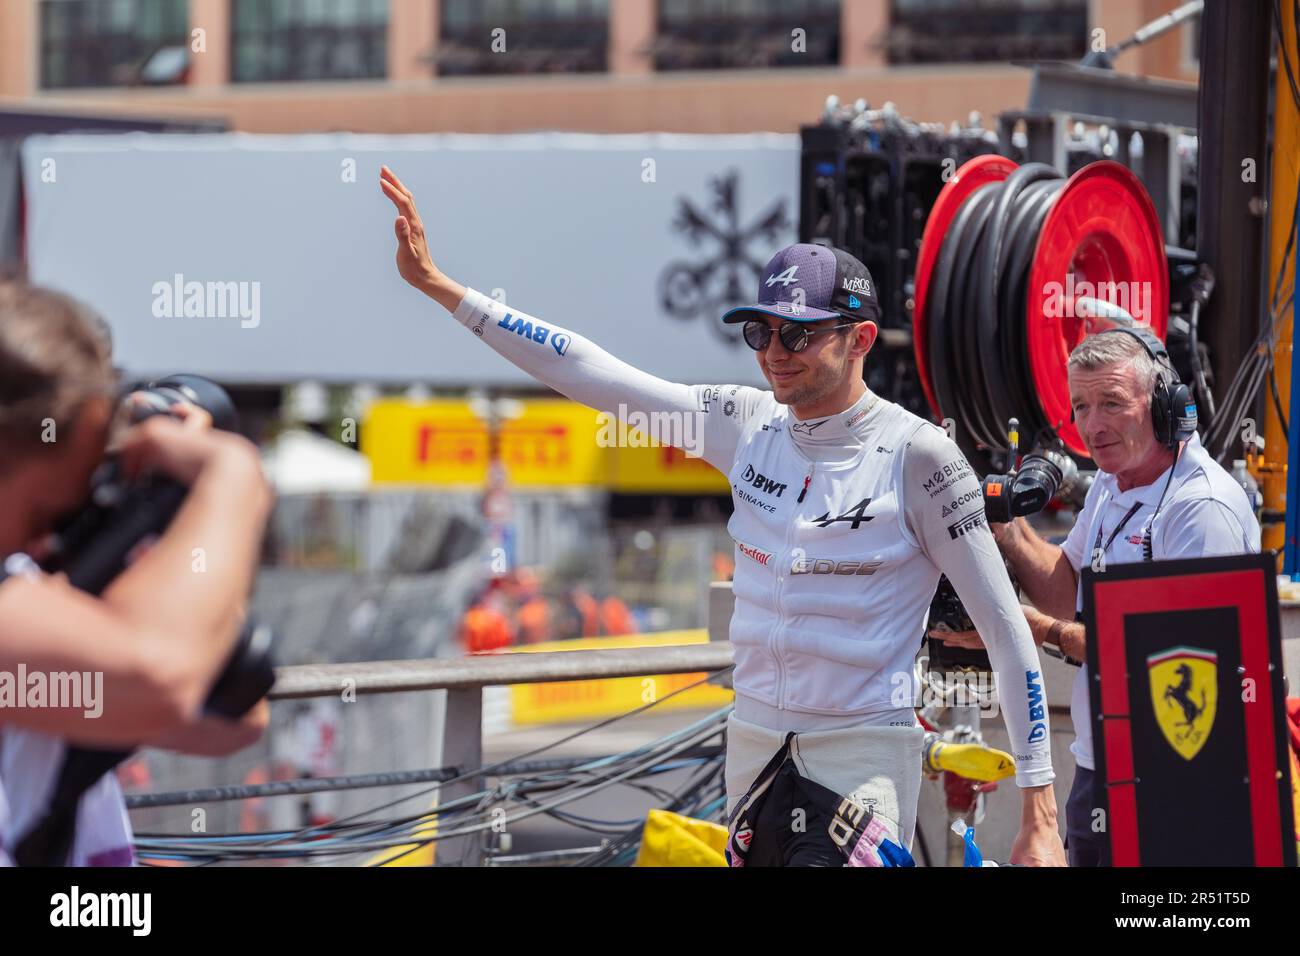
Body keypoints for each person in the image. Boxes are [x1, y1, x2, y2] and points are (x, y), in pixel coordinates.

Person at [380, 166, 1063, 865]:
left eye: (797, 336)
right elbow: (589, 371)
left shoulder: (921, 456)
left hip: (860, 761)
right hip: (754, 758)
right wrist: (443, 288)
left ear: (860, 340)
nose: (773, 352)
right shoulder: (744, 423)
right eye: (760, 332)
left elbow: (1007, 635)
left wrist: (1039, 814)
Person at [937, 328, 1259, 866]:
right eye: (1081, 406)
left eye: (1112, 403)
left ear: (1165, 408)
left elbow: (1168, 661)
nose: (1093, 425)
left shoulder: (1201, 508)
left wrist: (1033, 629)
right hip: (1100, 770)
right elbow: (1068, 588)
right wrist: (1006, 530)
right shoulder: (1115, 483)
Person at [0, 281, 273, 866]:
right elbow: (160, 678)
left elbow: (226, 717)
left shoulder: (28, 582)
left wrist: (159, 519)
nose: (50, 536)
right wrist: (229, 473)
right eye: (49, 509)